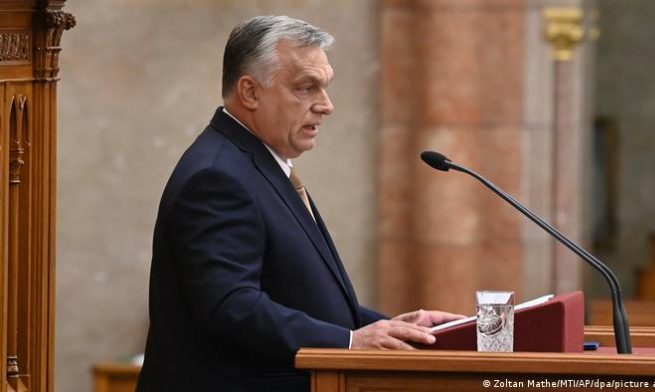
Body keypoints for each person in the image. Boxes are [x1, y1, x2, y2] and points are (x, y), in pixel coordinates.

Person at [136, 15, 462, 392]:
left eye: (325, 87)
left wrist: (392, 329)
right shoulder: (217, 176)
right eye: (307, 88)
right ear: (250, 92)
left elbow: (297, 298)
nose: (326, 106)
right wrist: (351, 342)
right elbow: (231, 306)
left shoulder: (256, 165)